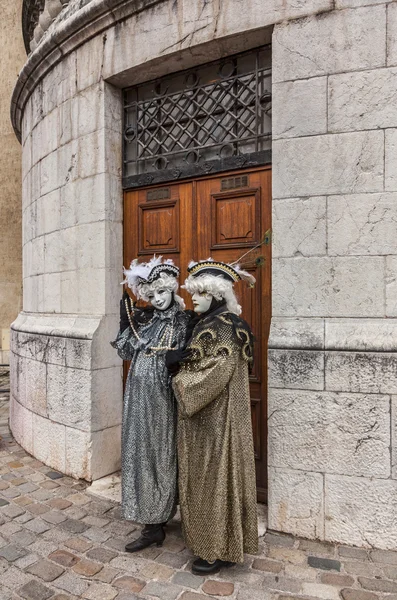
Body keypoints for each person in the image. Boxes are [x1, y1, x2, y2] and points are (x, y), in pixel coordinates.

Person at [170, 259, 259, 575]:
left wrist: (177, 376)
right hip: (217, 418)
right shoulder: (222, 322)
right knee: (219, 480)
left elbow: (212, 374)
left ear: (218, 294)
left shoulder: (220, 327)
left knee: (212, 481)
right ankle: (221, 545)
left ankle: (213, 550)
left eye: (201, 292)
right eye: (193, 293)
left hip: (213, 421)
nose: (194, 298)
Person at [111, 256, 190, 552]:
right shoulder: (145, 320)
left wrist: (175, 364)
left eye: (163, 292)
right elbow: (126, 352)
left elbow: (192, 360)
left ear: (172, 289)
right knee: (141, 452)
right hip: (137, 398)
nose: (157, 299)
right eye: (152, 294)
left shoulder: (185, 322)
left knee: (162, 454)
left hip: (164, 400)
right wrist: (124, 323)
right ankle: (151, 523)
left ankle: (161, 514)